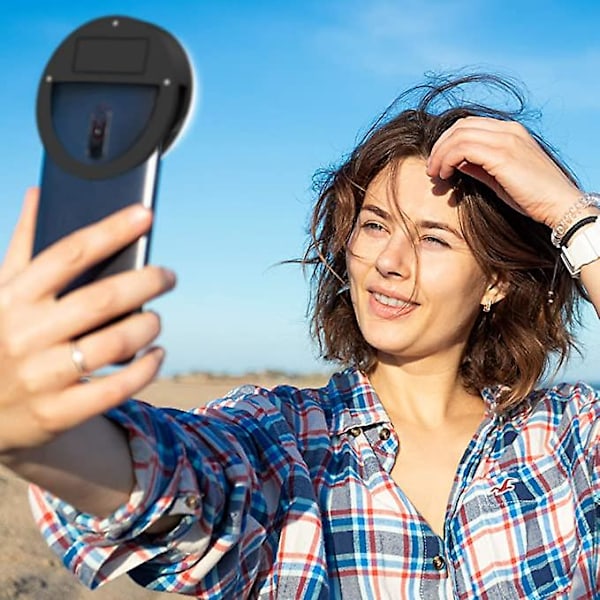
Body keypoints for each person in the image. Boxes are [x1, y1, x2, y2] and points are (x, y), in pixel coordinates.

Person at [0, 73, 597, 599]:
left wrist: (572, 216)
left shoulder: (568, 436)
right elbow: (178, 485)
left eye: (434, 238)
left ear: (495, 282)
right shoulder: (283, 436)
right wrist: (41, 437)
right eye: (374, 224)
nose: (389, 260)